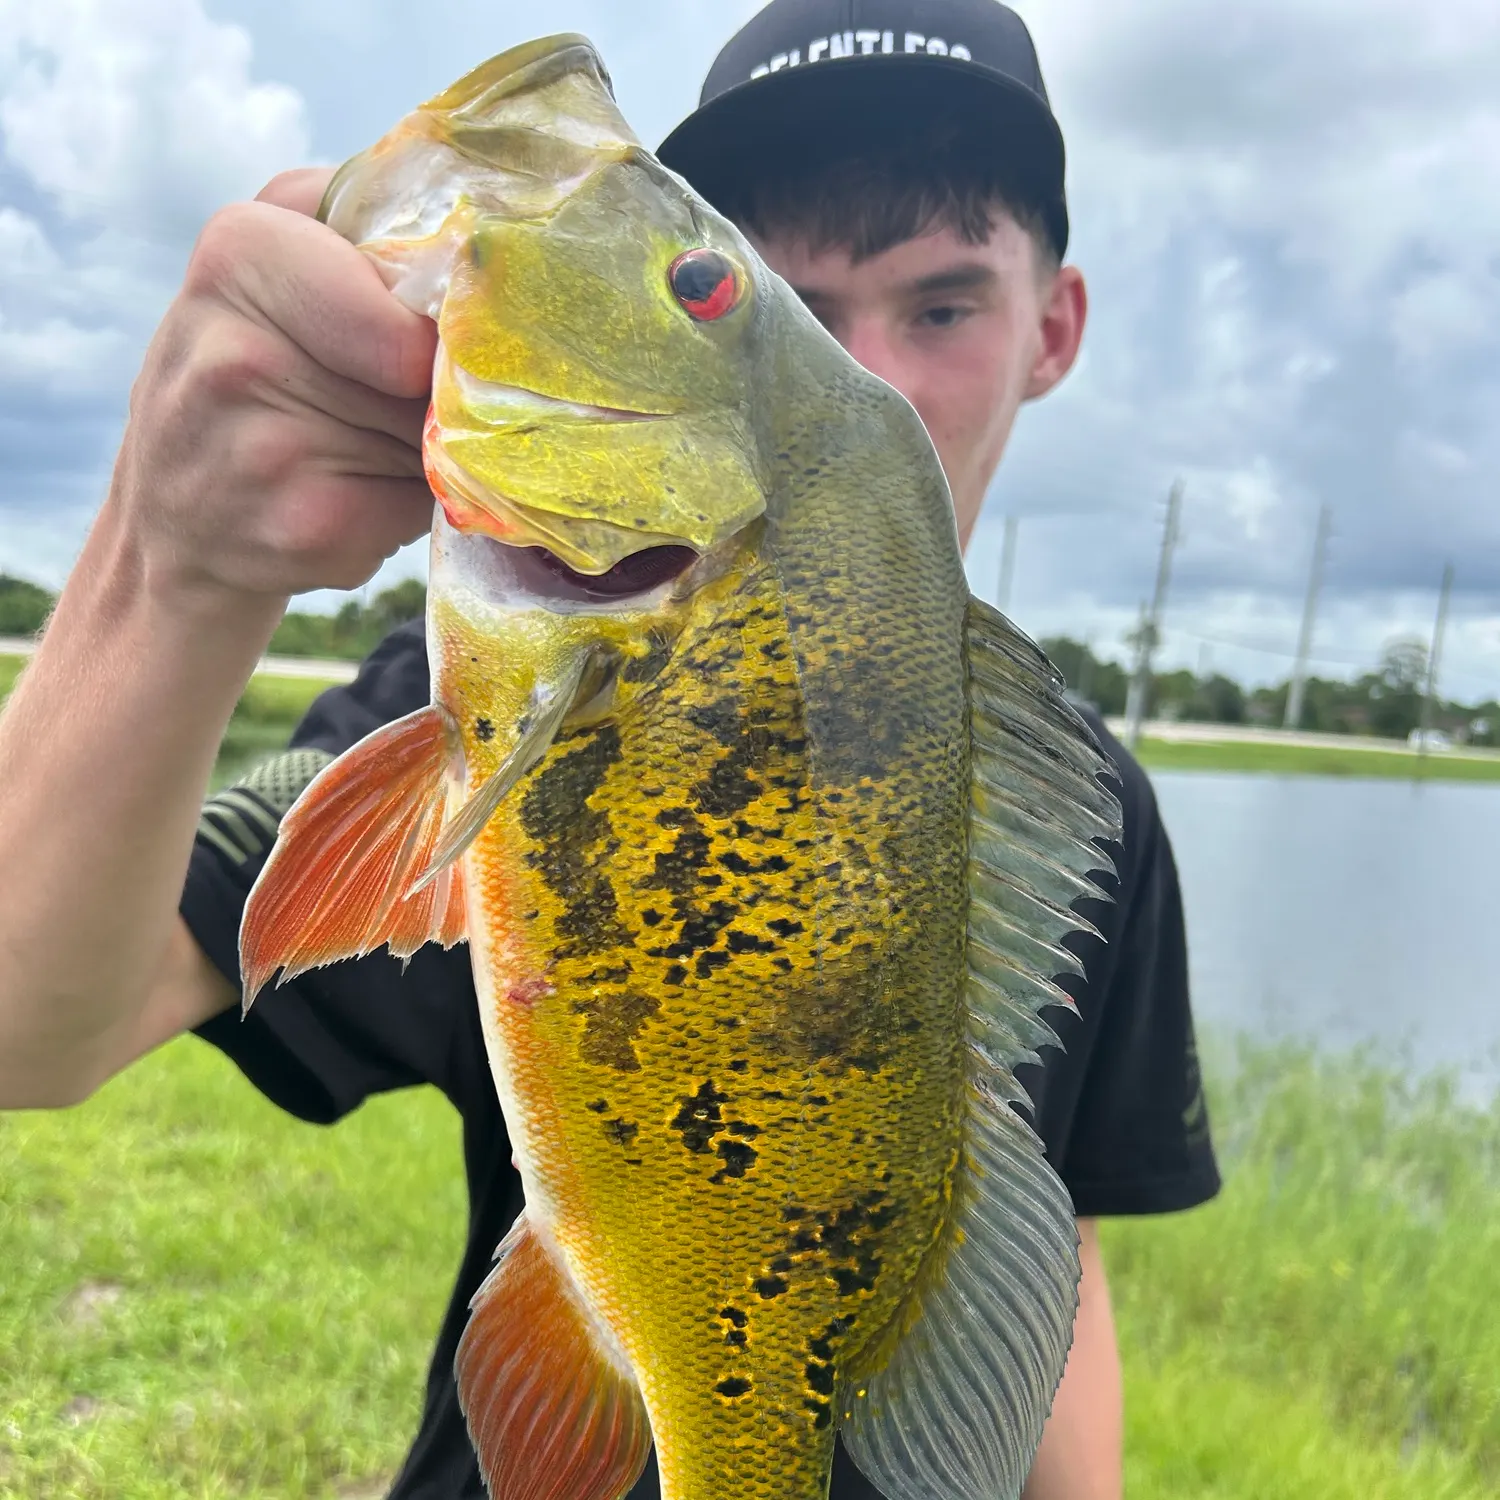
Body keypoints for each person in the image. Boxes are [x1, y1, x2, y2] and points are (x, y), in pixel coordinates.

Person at [0, 1, 1219, 1496]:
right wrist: (170, 567)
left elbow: (1049, 1229)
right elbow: (27, 1022)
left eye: (946, 306)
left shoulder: (1087, 807)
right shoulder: (449, 712)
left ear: (1056, 329)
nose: (878, 375)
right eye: (756, 293)